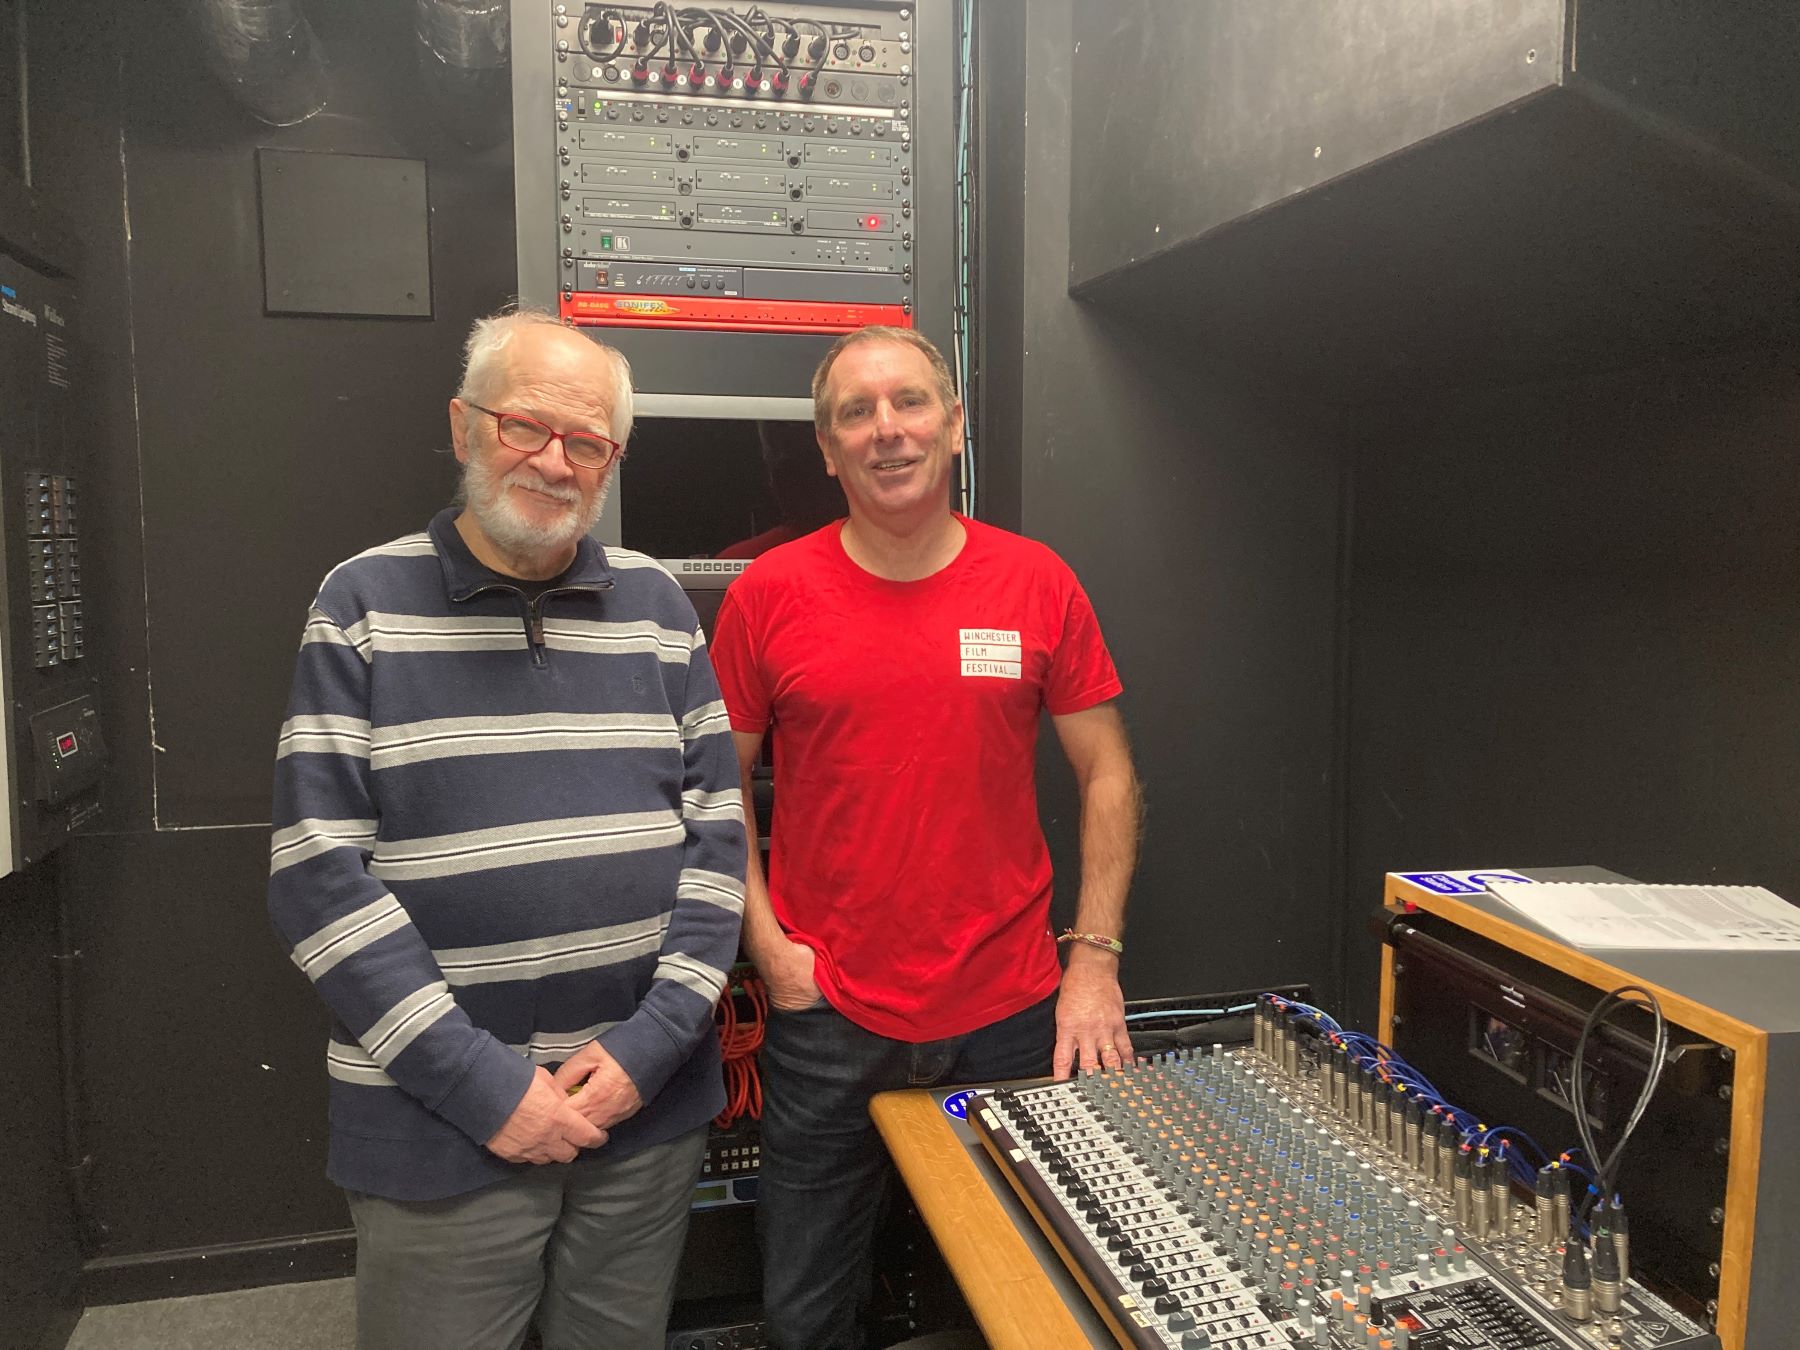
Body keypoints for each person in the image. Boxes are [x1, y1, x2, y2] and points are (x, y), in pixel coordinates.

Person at [267, 310, 746, 1350]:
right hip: (440, 1121)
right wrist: (486, 1087)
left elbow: (718, 844)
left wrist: (648, 1052)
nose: (553, 461)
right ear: (463, 426)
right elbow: (316, 876)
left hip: (643, 1108)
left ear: (611, 459)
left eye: (586, 442)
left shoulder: (661, 607)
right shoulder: (362, 602)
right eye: (525, 426)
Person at [708, 326, 1142, 1349]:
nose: (885, 430)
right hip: (829, 1014)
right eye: (855, 413)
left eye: (908, 403)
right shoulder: (768, 595)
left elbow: (1108, 773)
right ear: (826, 449)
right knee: (806, 1314)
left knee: (1010, 1301)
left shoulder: (1037, 583)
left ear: (954, 425)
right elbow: (714, 785)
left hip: (1009, 1010)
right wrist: (770, 951)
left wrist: (1093, 965)